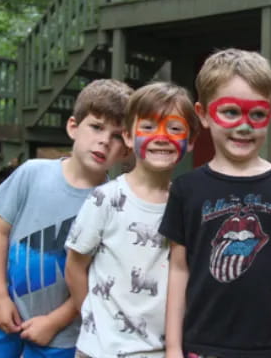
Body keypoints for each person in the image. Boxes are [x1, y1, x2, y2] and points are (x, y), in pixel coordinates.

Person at [159, 48, 271, 358]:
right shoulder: (187, 189)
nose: (245, 125)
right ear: (203, 114)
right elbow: (178, 269)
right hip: (204, 345)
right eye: (230, 112)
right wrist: (174, 348)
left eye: (257, 113)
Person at [0, 79, 133, 358]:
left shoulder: (115, 202)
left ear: (127, 149)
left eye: (117, 136)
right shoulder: (32, 173)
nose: (104, 140)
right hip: (4, 312)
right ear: (73, 127)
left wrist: (54, 321)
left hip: (62, 333)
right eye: (96, 126)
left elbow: (98, 277)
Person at [64, 81, 200, 358]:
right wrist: (94, 322)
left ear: (191, 141)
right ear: (128, 136)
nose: (161, 136)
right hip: (100, 351)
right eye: (148, 127)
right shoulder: (105, 199)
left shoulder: (187, 206)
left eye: (174, 128)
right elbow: (75, 267)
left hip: (162, 351)